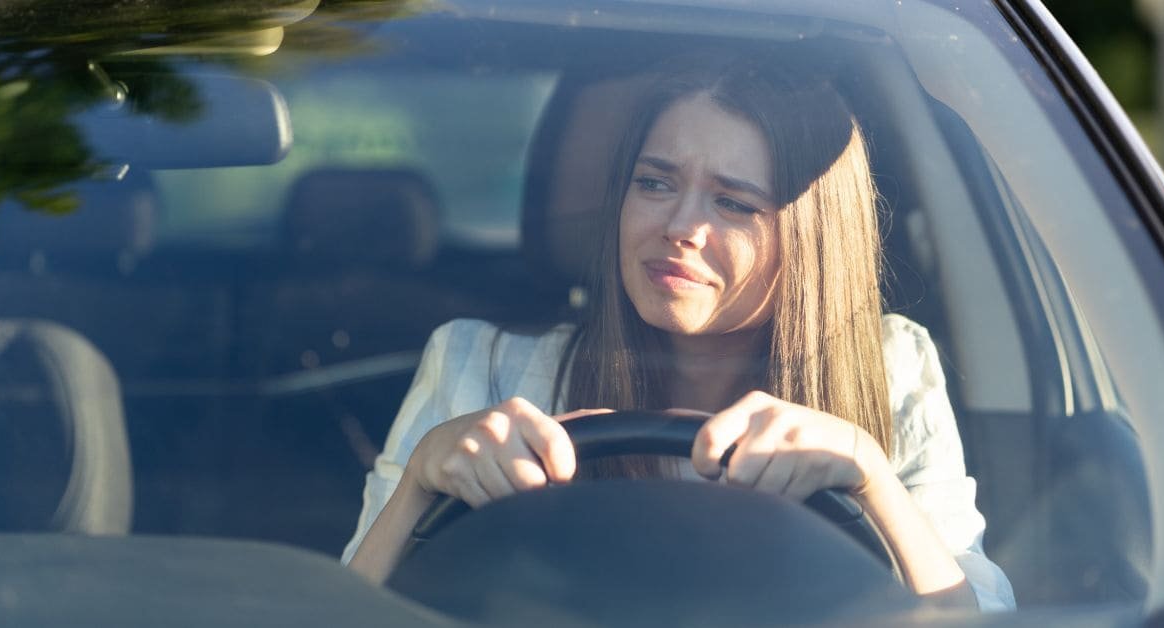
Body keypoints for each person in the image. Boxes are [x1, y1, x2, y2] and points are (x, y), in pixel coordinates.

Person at [342, 53, 1015, 611]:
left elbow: (970, 618)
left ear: (808, 241)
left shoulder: (893, 367)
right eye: (656, 183)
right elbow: (336, 616)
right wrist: (419, 485)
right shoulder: (480, 367)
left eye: (733, 202)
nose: (681, 227)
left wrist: (870, 475)